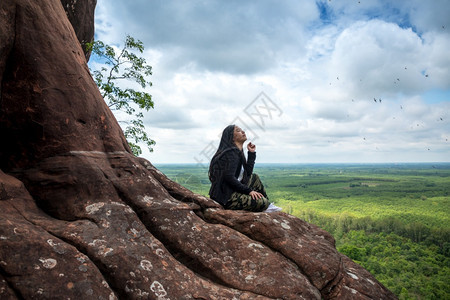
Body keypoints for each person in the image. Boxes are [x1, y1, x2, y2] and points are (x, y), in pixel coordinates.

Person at [208, 125, 282, 212]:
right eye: (238, 130)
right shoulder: (231, 153)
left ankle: (267, 206)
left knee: (254, 178)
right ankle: (265, 206)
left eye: (242, 130)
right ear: (232, 138)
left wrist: (251, 153)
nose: (243, 132)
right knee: (262, 203)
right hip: (226, 197)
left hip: (232, 190)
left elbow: (247, 173)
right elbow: (229, 177)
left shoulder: (237, 152)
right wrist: (249, 191)